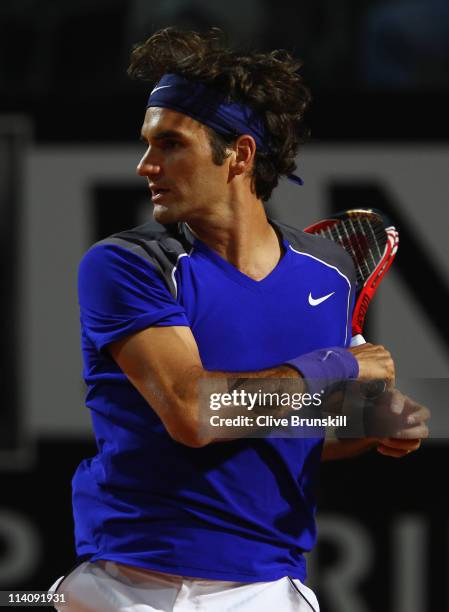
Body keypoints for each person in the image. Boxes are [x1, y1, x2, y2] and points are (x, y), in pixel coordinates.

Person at [51, 28, 429, 612]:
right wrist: (336, 365)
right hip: (120, 591)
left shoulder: (329, 274)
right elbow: (194, 414)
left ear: (241, 154)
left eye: (170, 144)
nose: (144, 165)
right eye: (148, 144)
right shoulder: (127, 264)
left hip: (265, 591)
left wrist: (371, 422)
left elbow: (299, 426)